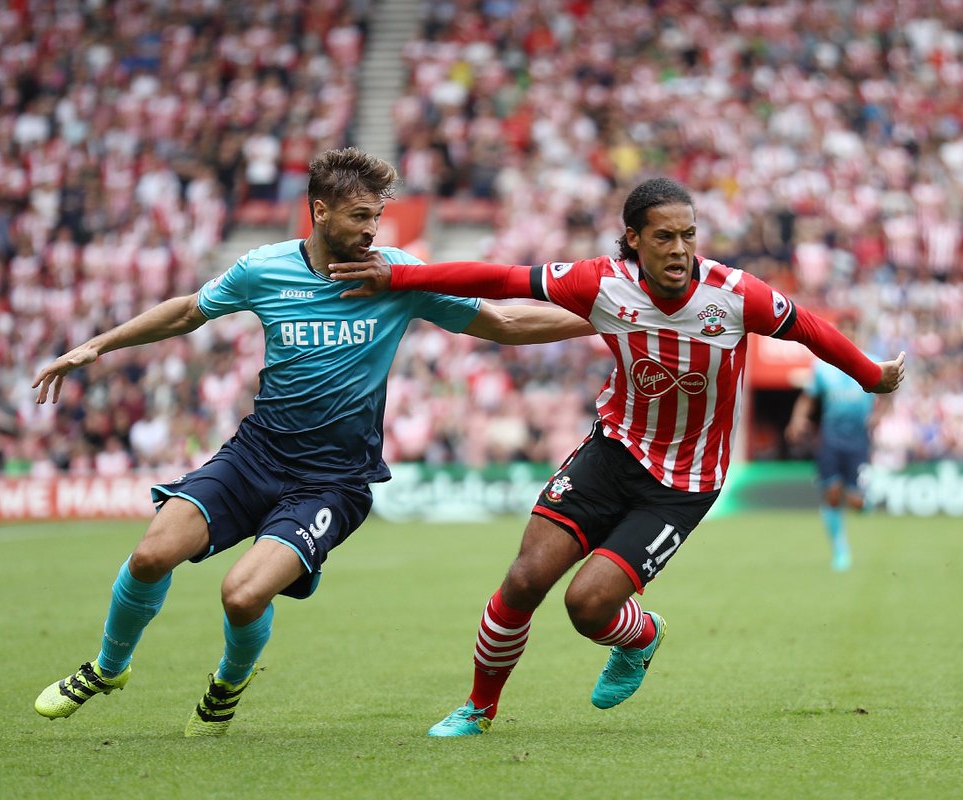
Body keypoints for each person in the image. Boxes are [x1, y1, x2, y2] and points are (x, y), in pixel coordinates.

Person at [30, 147, 592, 737]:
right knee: (149, 556)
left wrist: (602, 319)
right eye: (359, 216)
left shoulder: (396, 275)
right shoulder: (263, 268)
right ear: (320, 211)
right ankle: (108, 668)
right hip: (256, 455)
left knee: (241, 596)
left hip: (333, 481)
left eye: (376, 216)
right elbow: (188, 312)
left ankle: (226, 685)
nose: (372, 230)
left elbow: (503, 323)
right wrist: (97, 345)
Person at [328, 176, 905, 736]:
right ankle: (478, 709)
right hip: (612, 451)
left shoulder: (734, 294)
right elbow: (503, 279)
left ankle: (641, 637)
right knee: (525, 579)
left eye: (688, 235)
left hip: (683, 484)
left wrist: (869, 374)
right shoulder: (602, 282)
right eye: (664, 237)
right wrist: (400, 276)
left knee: (587, 606)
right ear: (634, 238)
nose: (679, 249)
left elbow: (806, 327)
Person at [785, 313, 880, 571]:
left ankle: (865, 504)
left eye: (852, 330)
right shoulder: (823, 367)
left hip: (858, 440)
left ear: (858, 334)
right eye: (844, 330)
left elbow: (890, 391)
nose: (848, 335)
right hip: (830, 439)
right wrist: (797, 420)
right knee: (832, 494)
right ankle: (840, 550)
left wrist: (879, 415)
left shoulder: (872, 361)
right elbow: (808, 398)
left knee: (856, 501)